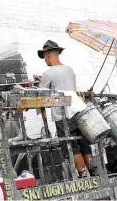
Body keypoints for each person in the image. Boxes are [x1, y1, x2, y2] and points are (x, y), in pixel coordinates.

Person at [37, 40, 93, 176]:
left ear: (49, 55)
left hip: (63, 115)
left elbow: (40, 94)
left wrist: (40, 82)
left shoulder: (48, 74)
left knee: (71, 146)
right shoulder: (70, 70)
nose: (45, 60)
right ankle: (94, 172)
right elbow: (66, 87)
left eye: (45, 57)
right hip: (78, 111)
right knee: (83, 143)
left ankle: (82, 175)